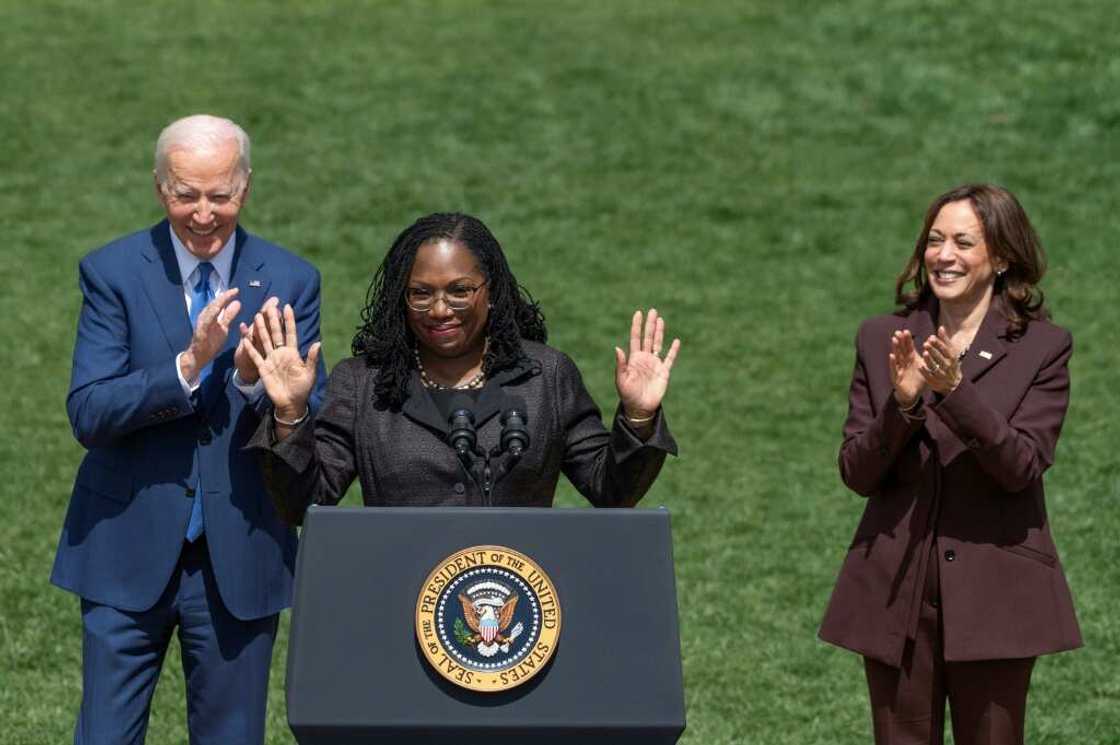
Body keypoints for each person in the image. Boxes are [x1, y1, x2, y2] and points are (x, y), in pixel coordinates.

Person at [50, 114, 327, 744]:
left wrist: (270, 395)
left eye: (220, 195)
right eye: (186, 195)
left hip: (242, 553)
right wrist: (189, 366)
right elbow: (88, 412)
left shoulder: (292, 280)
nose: (203, 214)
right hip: (125, 551)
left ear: (246, 188)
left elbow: (312, 423)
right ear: (159, 187)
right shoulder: (112, 272)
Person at [818, 184, 1081, 745]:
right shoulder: (881, 338)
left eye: (964, 242)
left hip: (998, 597)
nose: (944, 255)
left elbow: (1021, 466)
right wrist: (905, 404)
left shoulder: (1044, 347)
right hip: (896, 595)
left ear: (1002, 257)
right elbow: (856, 471)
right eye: (935, 240)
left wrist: (956, 392)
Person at [242, 212, 680, 518]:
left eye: (459, 290)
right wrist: (289, 417)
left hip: (519, 612)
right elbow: (304, 504)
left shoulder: (546, 377)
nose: (439, 310)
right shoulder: (363, 383)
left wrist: (639, 418)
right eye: (420, 293)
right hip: (399, 601)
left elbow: (612, 491)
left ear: (491, 291)